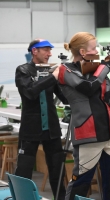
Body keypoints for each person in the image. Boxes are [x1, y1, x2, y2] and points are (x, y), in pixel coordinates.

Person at [56, 32, 110, 200]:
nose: (97, 51)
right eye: (94, 48)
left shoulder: (97, 69)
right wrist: (105, 68)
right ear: (83, 52)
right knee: (80, 183)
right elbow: (87, 87)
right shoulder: (66, 69)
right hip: (88, 135)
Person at [15, 39, 67, 200]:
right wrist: (53, 76)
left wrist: (70, 78)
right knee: (24, 171)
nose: (50, 53)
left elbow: (64, 98)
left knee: (58, 170)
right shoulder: (23, 70)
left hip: (51, 128)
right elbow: (30, 92)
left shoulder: (51, 71)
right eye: (46, 50)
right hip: (31, 128)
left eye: (50, 50)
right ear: (34, 51)